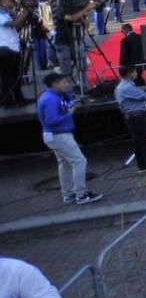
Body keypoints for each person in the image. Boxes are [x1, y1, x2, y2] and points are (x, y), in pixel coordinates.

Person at [36, 72, 102, 205]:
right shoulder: (50, 99)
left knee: (64, 164)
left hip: (54, 136)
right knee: (79, 161)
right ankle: (81, 194)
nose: (67, 85)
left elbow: (66, 105)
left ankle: (68, 194)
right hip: (59, 135)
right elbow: (52, 120)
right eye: (64, 82)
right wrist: (68, 114)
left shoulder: (54, 96)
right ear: (55, 84)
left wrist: (67, 97)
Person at [115, 65, 146, 175]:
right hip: (136, 117)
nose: (136, 73)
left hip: (132, 117)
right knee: (145, 141)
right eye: (134, 72)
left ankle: (142, 166)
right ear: (129, 74)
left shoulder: (124, 86)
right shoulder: (126, 87)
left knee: (138, 142)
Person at [0, 0, 31, 107]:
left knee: (16, 76)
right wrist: (25, 12)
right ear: (1, 2)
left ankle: (18, 98)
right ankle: (7, 101)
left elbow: (17, 27)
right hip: (4, 49)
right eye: (7, 0)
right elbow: (13, 24)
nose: (10, 2)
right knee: (7, 77)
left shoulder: (6, 14)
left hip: (13, 47)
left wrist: (21, 16)